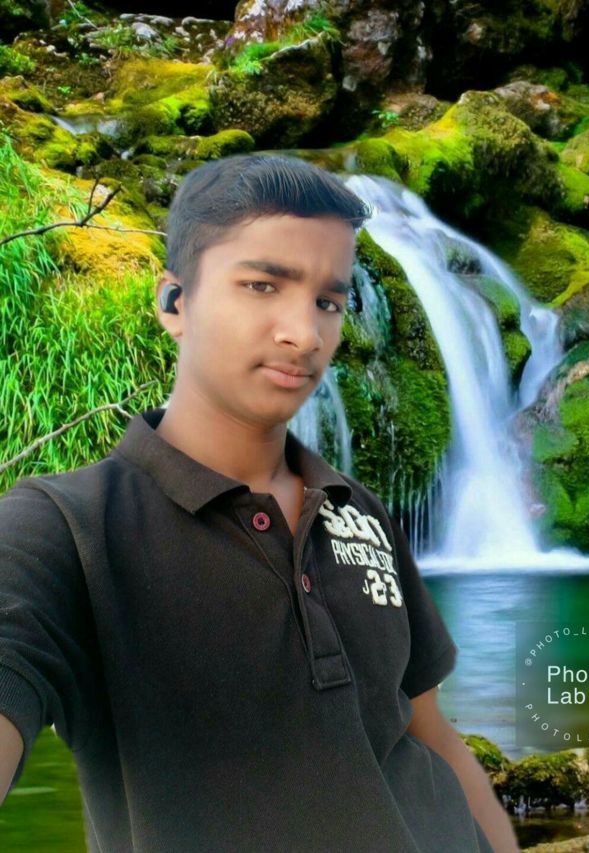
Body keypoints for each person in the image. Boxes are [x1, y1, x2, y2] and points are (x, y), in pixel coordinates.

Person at [0, 154, 519, 852]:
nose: (304, 335)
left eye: (328, 302)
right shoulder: (64, 528)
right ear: (174, 303)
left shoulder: (358, 508)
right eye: (262, 285)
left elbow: (430, 734)